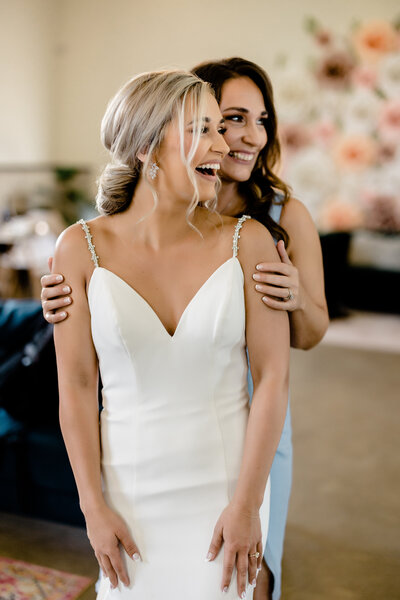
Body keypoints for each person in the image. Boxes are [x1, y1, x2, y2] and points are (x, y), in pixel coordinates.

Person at [41, 58, 328, 600]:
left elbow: (274, 377)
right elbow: (76, 387)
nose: (228, 142)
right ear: (148, 147)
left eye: (249, 122)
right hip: (130, 482)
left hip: (231, 472)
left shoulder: (258, 236)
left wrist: (246, 505)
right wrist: (93, 506)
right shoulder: (78, 248)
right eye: (209, 128)